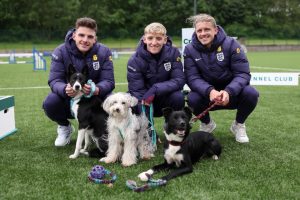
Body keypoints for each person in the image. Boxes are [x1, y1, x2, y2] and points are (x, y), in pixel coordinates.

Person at [184, 14, 259, 143]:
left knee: (251, 93)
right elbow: (192, 78)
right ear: (196, 32)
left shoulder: (231, 44)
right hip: (208, 96)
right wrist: (210, 91)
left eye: (207, 29)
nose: (203, 33)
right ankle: (207, 124)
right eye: (199, 30)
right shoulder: (190, 49)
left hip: (231, 95)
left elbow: (243, 74)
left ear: (215, 30)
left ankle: (238, 125)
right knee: (192, 98)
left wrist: (229, 91)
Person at [43, 17, 115, 147]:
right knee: (50, 102)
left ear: (95, 38)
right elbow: (54, 80)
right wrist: (64, 88)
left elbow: (108, 81)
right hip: (70, 99)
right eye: (81, 35)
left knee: (113, 100)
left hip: (95, 99)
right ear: (74, 35)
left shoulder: (104, 51)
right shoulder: (60, 51)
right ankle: (65, 127)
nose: (85, 40)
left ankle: (104, 131)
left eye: (90, 36)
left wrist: (96, 89)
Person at [127, 22, 185, 133]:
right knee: (132, 101)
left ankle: (171, 126)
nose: (154, 42)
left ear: (165, 39)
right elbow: (137, 91)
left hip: (164, 98)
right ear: (144, 39)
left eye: (158, 38)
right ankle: (144, 129)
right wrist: (150, 127)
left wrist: (156, 89)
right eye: (150, 38)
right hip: (145, 99)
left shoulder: (174, 53)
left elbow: (179, 80)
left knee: (178, 97)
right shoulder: (134, 60)